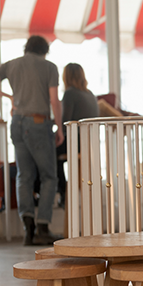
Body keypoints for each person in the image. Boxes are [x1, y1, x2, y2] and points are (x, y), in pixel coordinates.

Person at [0, 35, 63, 245]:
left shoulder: (12, 65)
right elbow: (54, 100)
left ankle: (28, 229)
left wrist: (8, 97)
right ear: (44, 50)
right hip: (38, 123)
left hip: (17, 123)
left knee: (24, 176)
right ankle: (43, 227)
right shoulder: (49, 67)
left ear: (27, 48)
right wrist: (60, 127)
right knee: (49, 177)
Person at [56, 63, 99, 204]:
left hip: (77, 143)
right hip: (91, 144)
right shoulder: (90, 94)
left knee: (48, 153)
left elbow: (65, 122)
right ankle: (63, 192)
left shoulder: (70, 93)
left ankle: (63, 192)